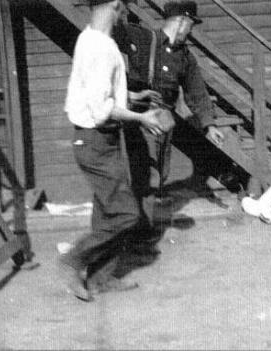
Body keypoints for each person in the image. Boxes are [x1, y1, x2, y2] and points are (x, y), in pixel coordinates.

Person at [60, 0, 168, 302]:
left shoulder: (91, 38)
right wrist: (141, 117)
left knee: (107, 211)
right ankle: (74, 260)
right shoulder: (101, 49)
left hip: (100, 141)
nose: (128, 15)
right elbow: (101, 108)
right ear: (117, 6)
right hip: (96, 141)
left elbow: (99, 89)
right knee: (126, 215)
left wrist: (132, 95)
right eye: (126, 7)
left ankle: (100, 278)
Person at [114, 0, 224, 213]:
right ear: (183, 22)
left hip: (164, 122)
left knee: (159, 175)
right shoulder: (143, 37)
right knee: (143, 176)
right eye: (191, 25)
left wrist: (209, 126)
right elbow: (111, 31)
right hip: (138, 119)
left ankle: (141, 225)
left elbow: (197, 92)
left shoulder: (185, 57)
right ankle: (139, 230)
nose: (190, 31)